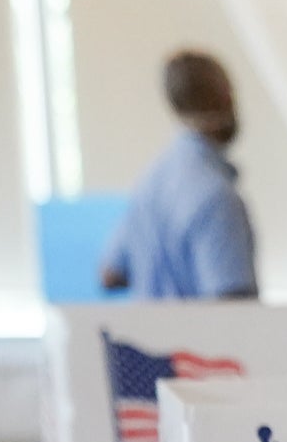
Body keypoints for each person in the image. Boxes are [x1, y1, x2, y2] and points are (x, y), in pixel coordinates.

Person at [100, 51, 257, 301]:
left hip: (150, 335)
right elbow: (233, 309)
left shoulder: (149, 182)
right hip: (199, 339)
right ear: (226, 96)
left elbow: (109, 274)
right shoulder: (217, 197)